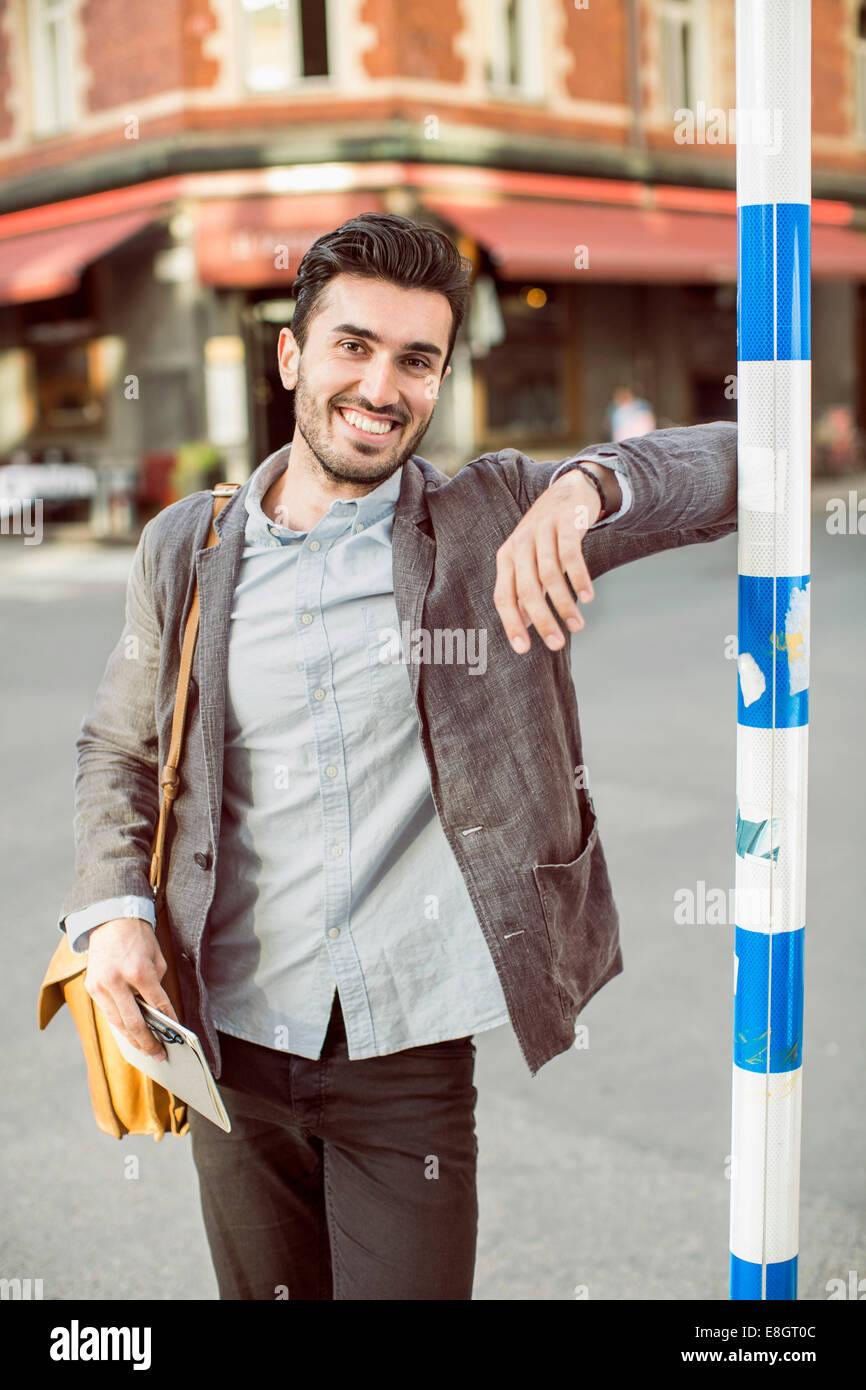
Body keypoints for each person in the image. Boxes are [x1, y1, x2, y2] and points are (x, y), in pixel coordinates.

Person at [57, 213, 738, 1300]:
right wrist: (116, 916)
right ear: (291, 355)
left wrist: (588, 484)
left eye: (416, 360)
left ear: (440, 378)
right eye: (353, 346)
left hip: (404, 1062)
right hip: (226, 1038)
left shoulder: (491, 515)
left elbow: (739, 463)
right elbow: (120, 747)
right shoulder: (187, 545)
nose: (382, 387)